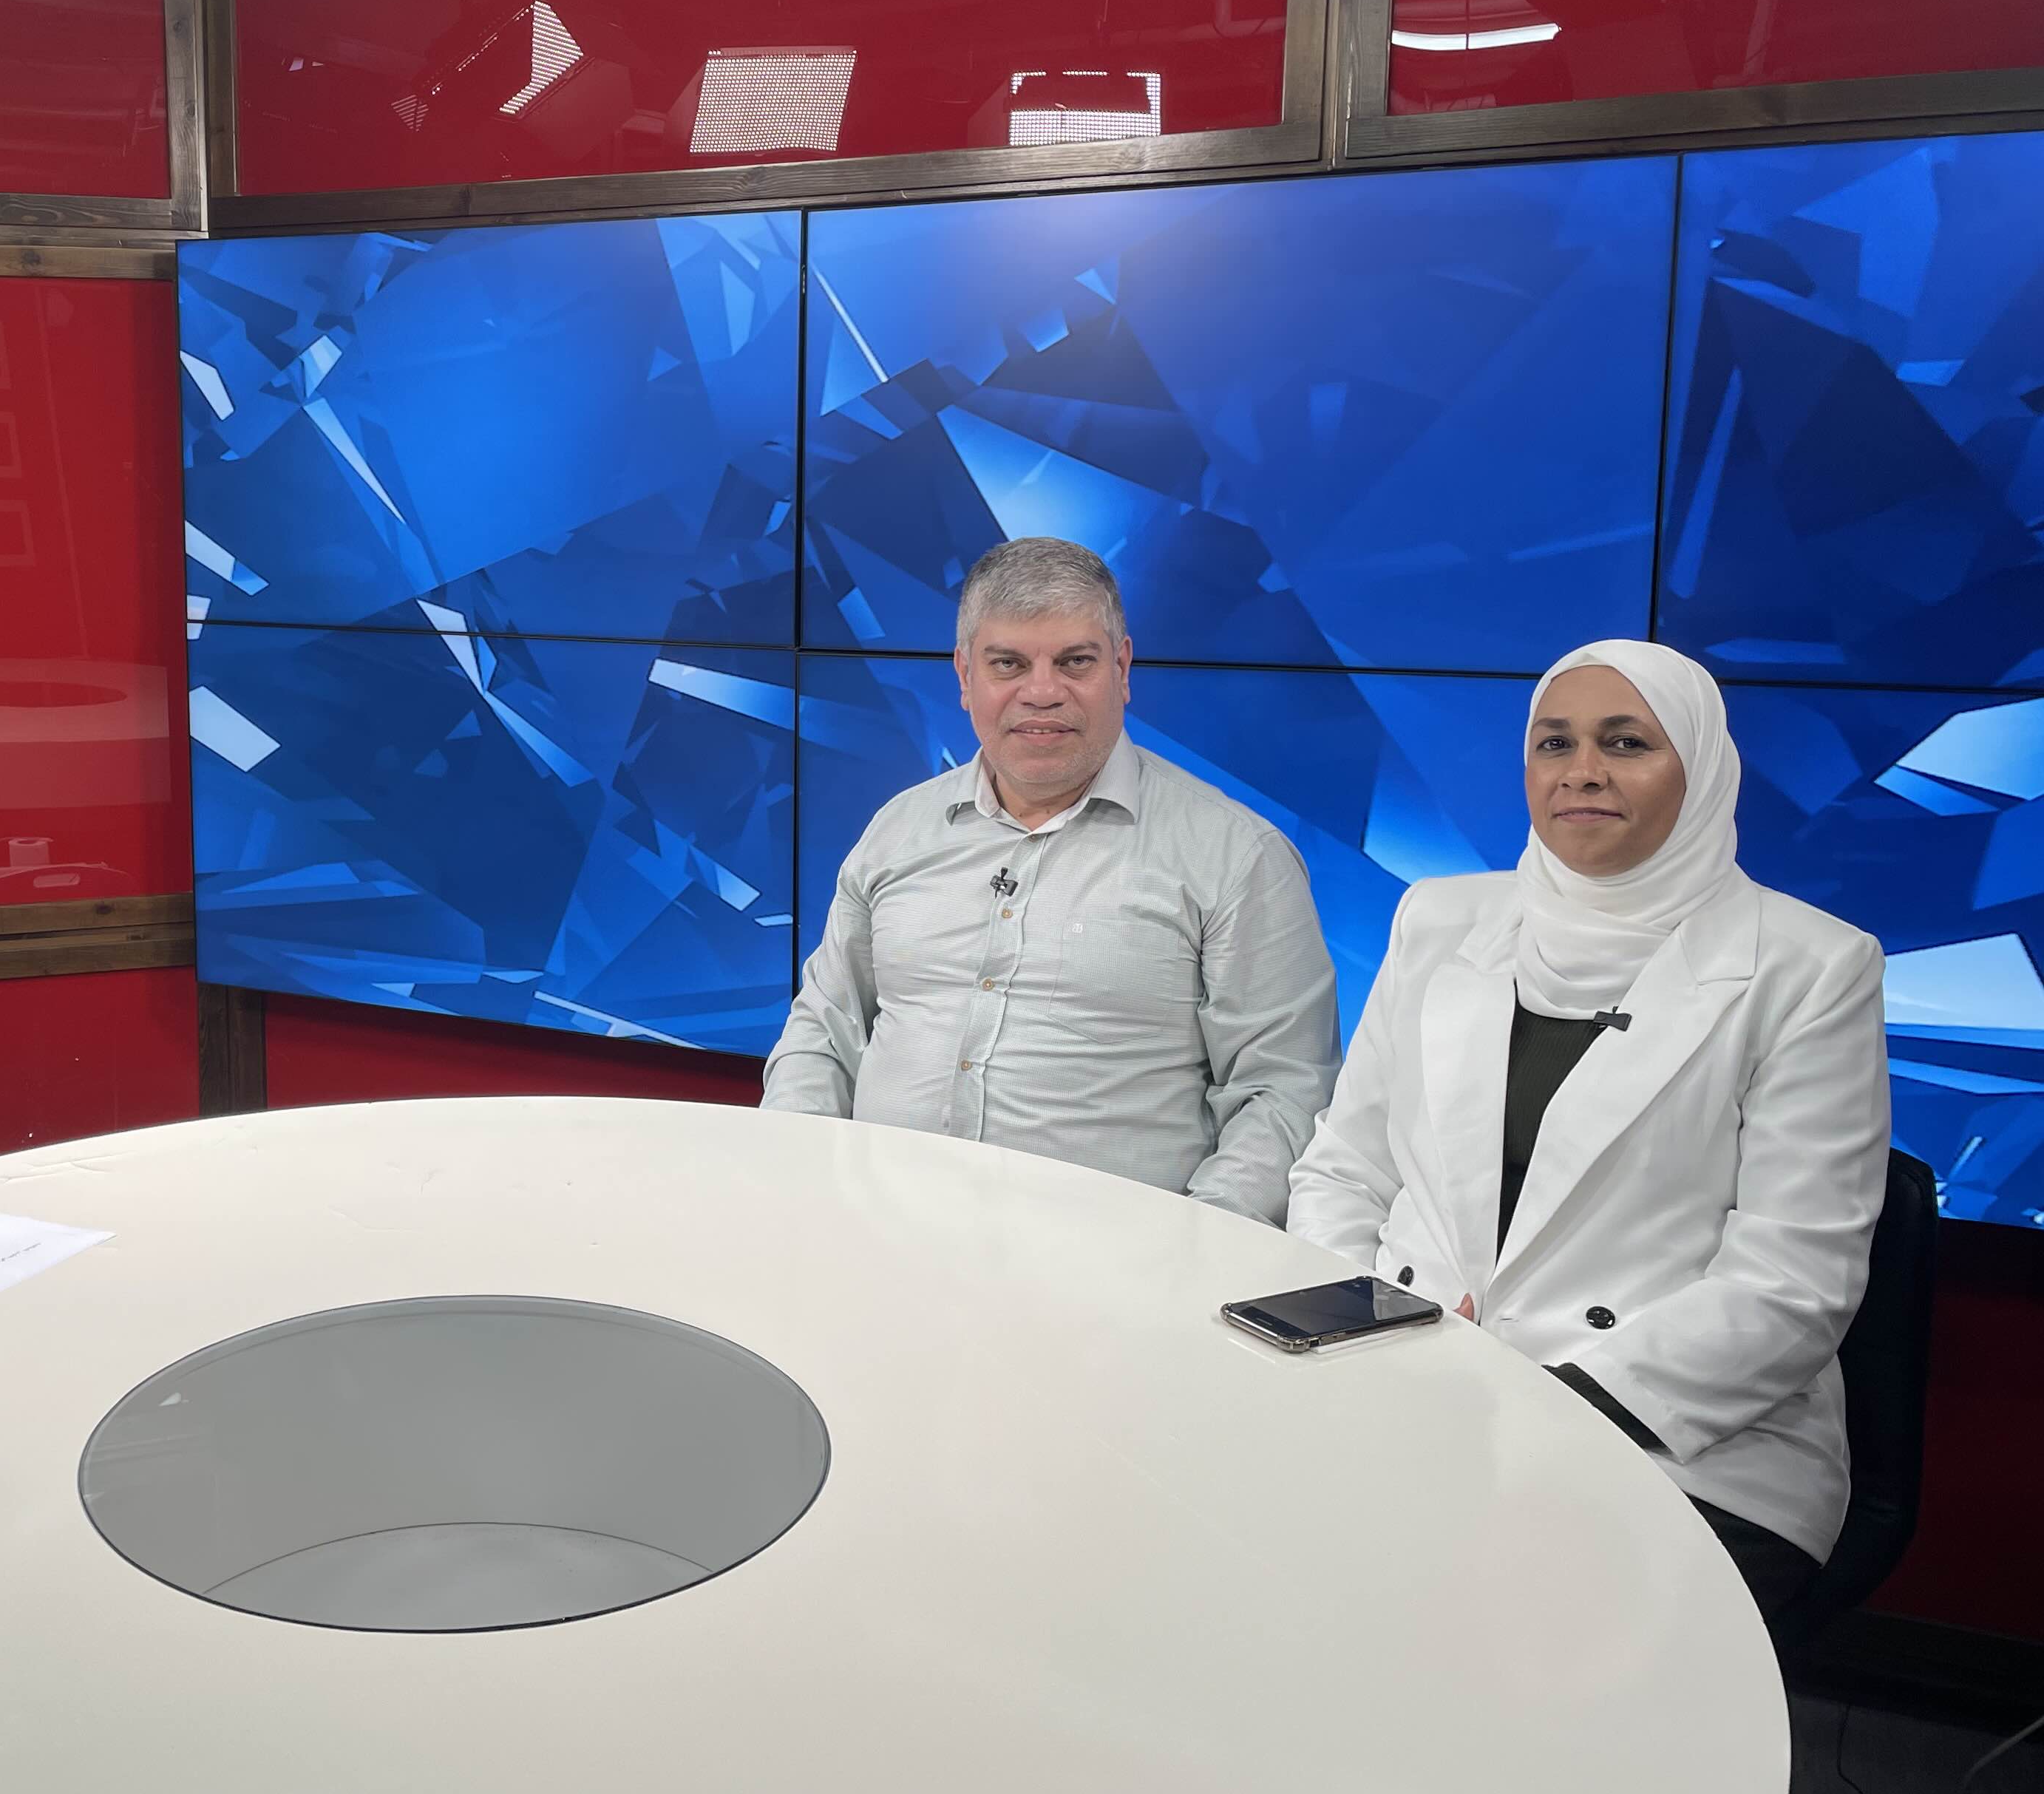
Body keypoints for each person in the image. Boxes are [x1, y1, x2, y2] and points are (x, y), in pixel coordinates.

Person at [1286, 639, 1888, 1619]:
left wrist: (1541, 1399)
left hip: (1674, 1436)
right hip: (1404, 1381)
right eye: (1554, 744)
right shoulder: (1437, 920)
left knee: (1485, 1630)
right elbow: (1341, 1172)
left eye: (1626, 743)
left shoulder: (1812, 967)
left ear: (1702, 769)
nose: (1582, 772)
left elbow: (1793, 1284)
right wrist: (1370, 1333)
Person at [765, 538, 1337, 1223]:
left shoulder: (1236, 855)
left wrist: (1198, 1248)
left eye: (1075, 662)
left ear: (1121, 668)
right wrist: (796, 1190)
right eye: (1008, 663)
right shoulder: (899, 829)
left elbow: (1283, 1093)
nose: (1042, 693)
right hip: (875, 1233)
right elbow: (823, 1033)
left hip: (1111, 1263)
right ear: (965, 675)